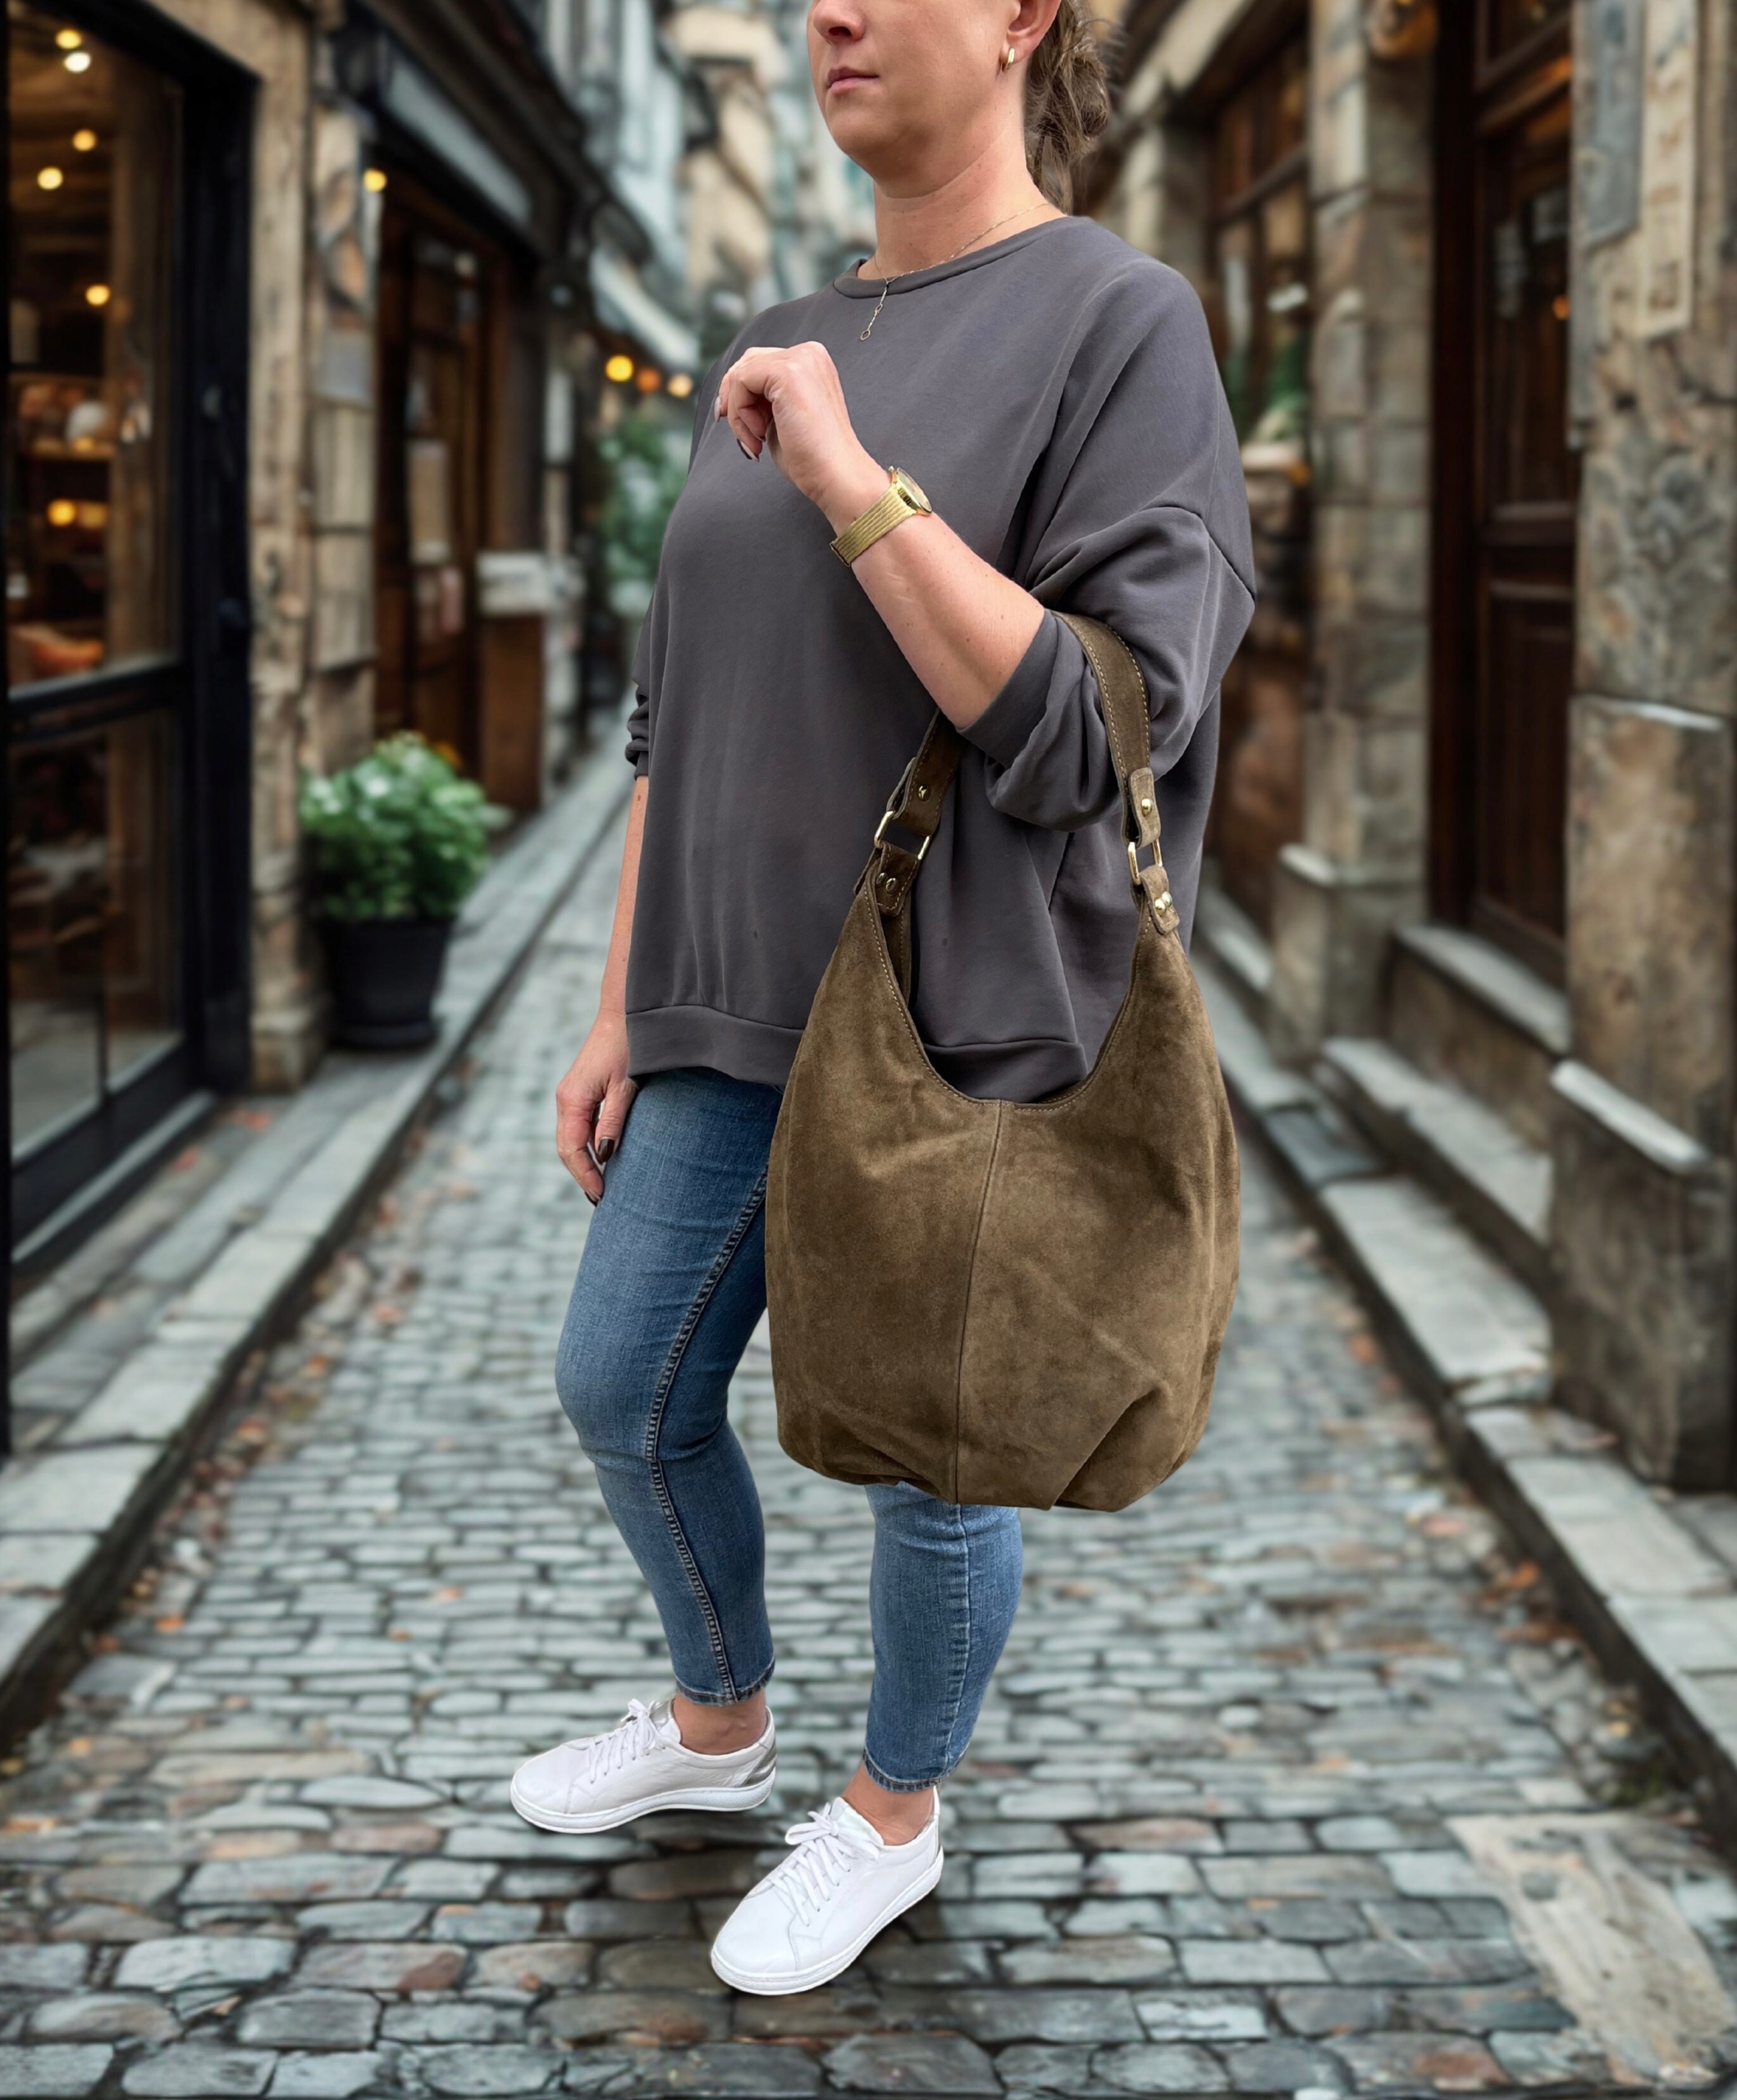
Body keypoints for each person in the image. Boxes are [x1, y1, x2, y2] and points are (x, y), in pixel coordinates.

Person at [510, 0, 1254, 1997]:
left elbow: (1098, 729)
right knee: (621, 1387)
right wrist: (622, 1001)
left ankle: (893, 1810)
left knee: (937, 1455)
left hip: (952, 1017)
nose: (829, 11)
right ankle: (719, 1717)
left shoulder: (1121, 323)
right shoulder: (773, 326)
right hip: (719, 1010)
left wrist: (851, 475)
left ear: (1021, 18)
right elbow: (671, 717)